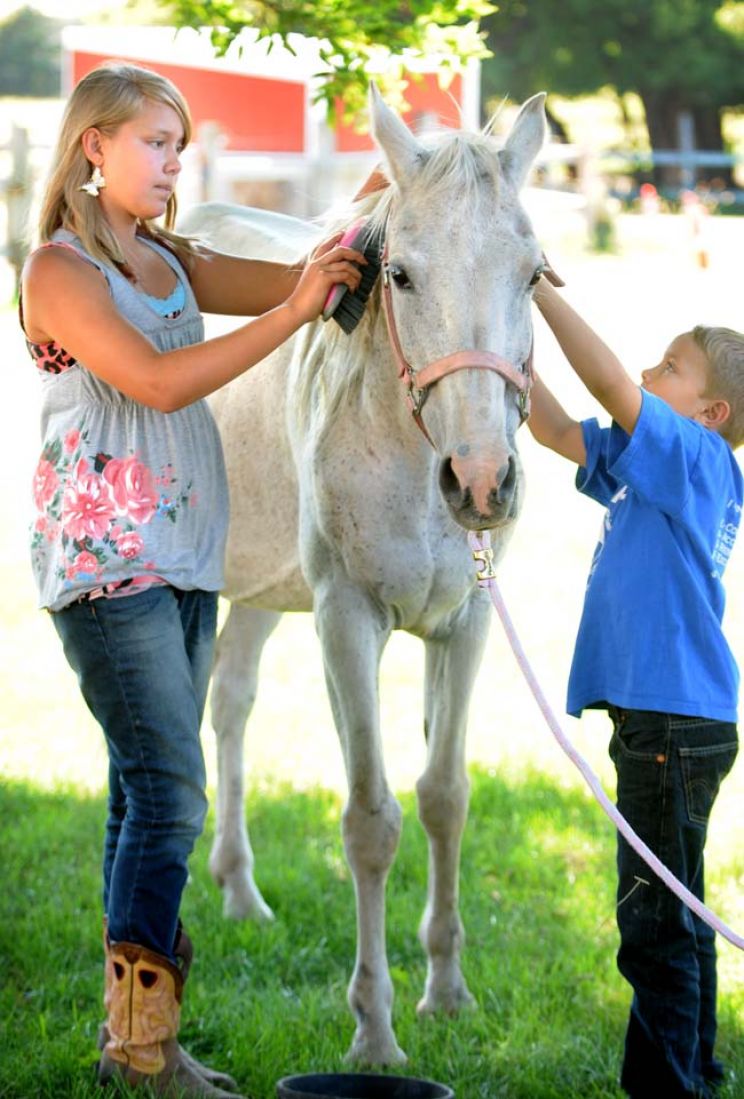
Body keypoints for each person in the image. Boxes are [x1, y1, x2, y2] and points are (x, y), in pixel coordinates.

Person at [21, 61, 366, 1098]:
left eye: (181, 143)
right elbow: (162, 379)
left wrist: (360, 243)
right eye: (155, 142)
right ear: (95, 145)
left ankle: (137, 1039)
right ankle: (142, 1051)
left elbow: (293, 273)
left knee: (141, 790)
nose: (176, 161)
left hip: (183, 556)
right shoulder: (59, 269)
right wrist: (297, 311)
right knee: (173, 792)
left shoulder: (167, 253)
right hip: (106, 561)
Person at [527, 274, 743, 1099]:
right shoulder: (658, 459)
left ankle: (667, 1086)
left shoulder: (697, 459)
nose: (652, 372)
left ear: (709, 413)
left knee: (652, 921)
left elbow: (609, 383)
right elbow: (551, 427)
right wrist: (502, 346)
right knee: (678, 908)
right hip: (672, 723)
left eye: (672, 367)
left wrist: (540, 291)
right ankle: (697, 1065)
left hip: (673, 727)